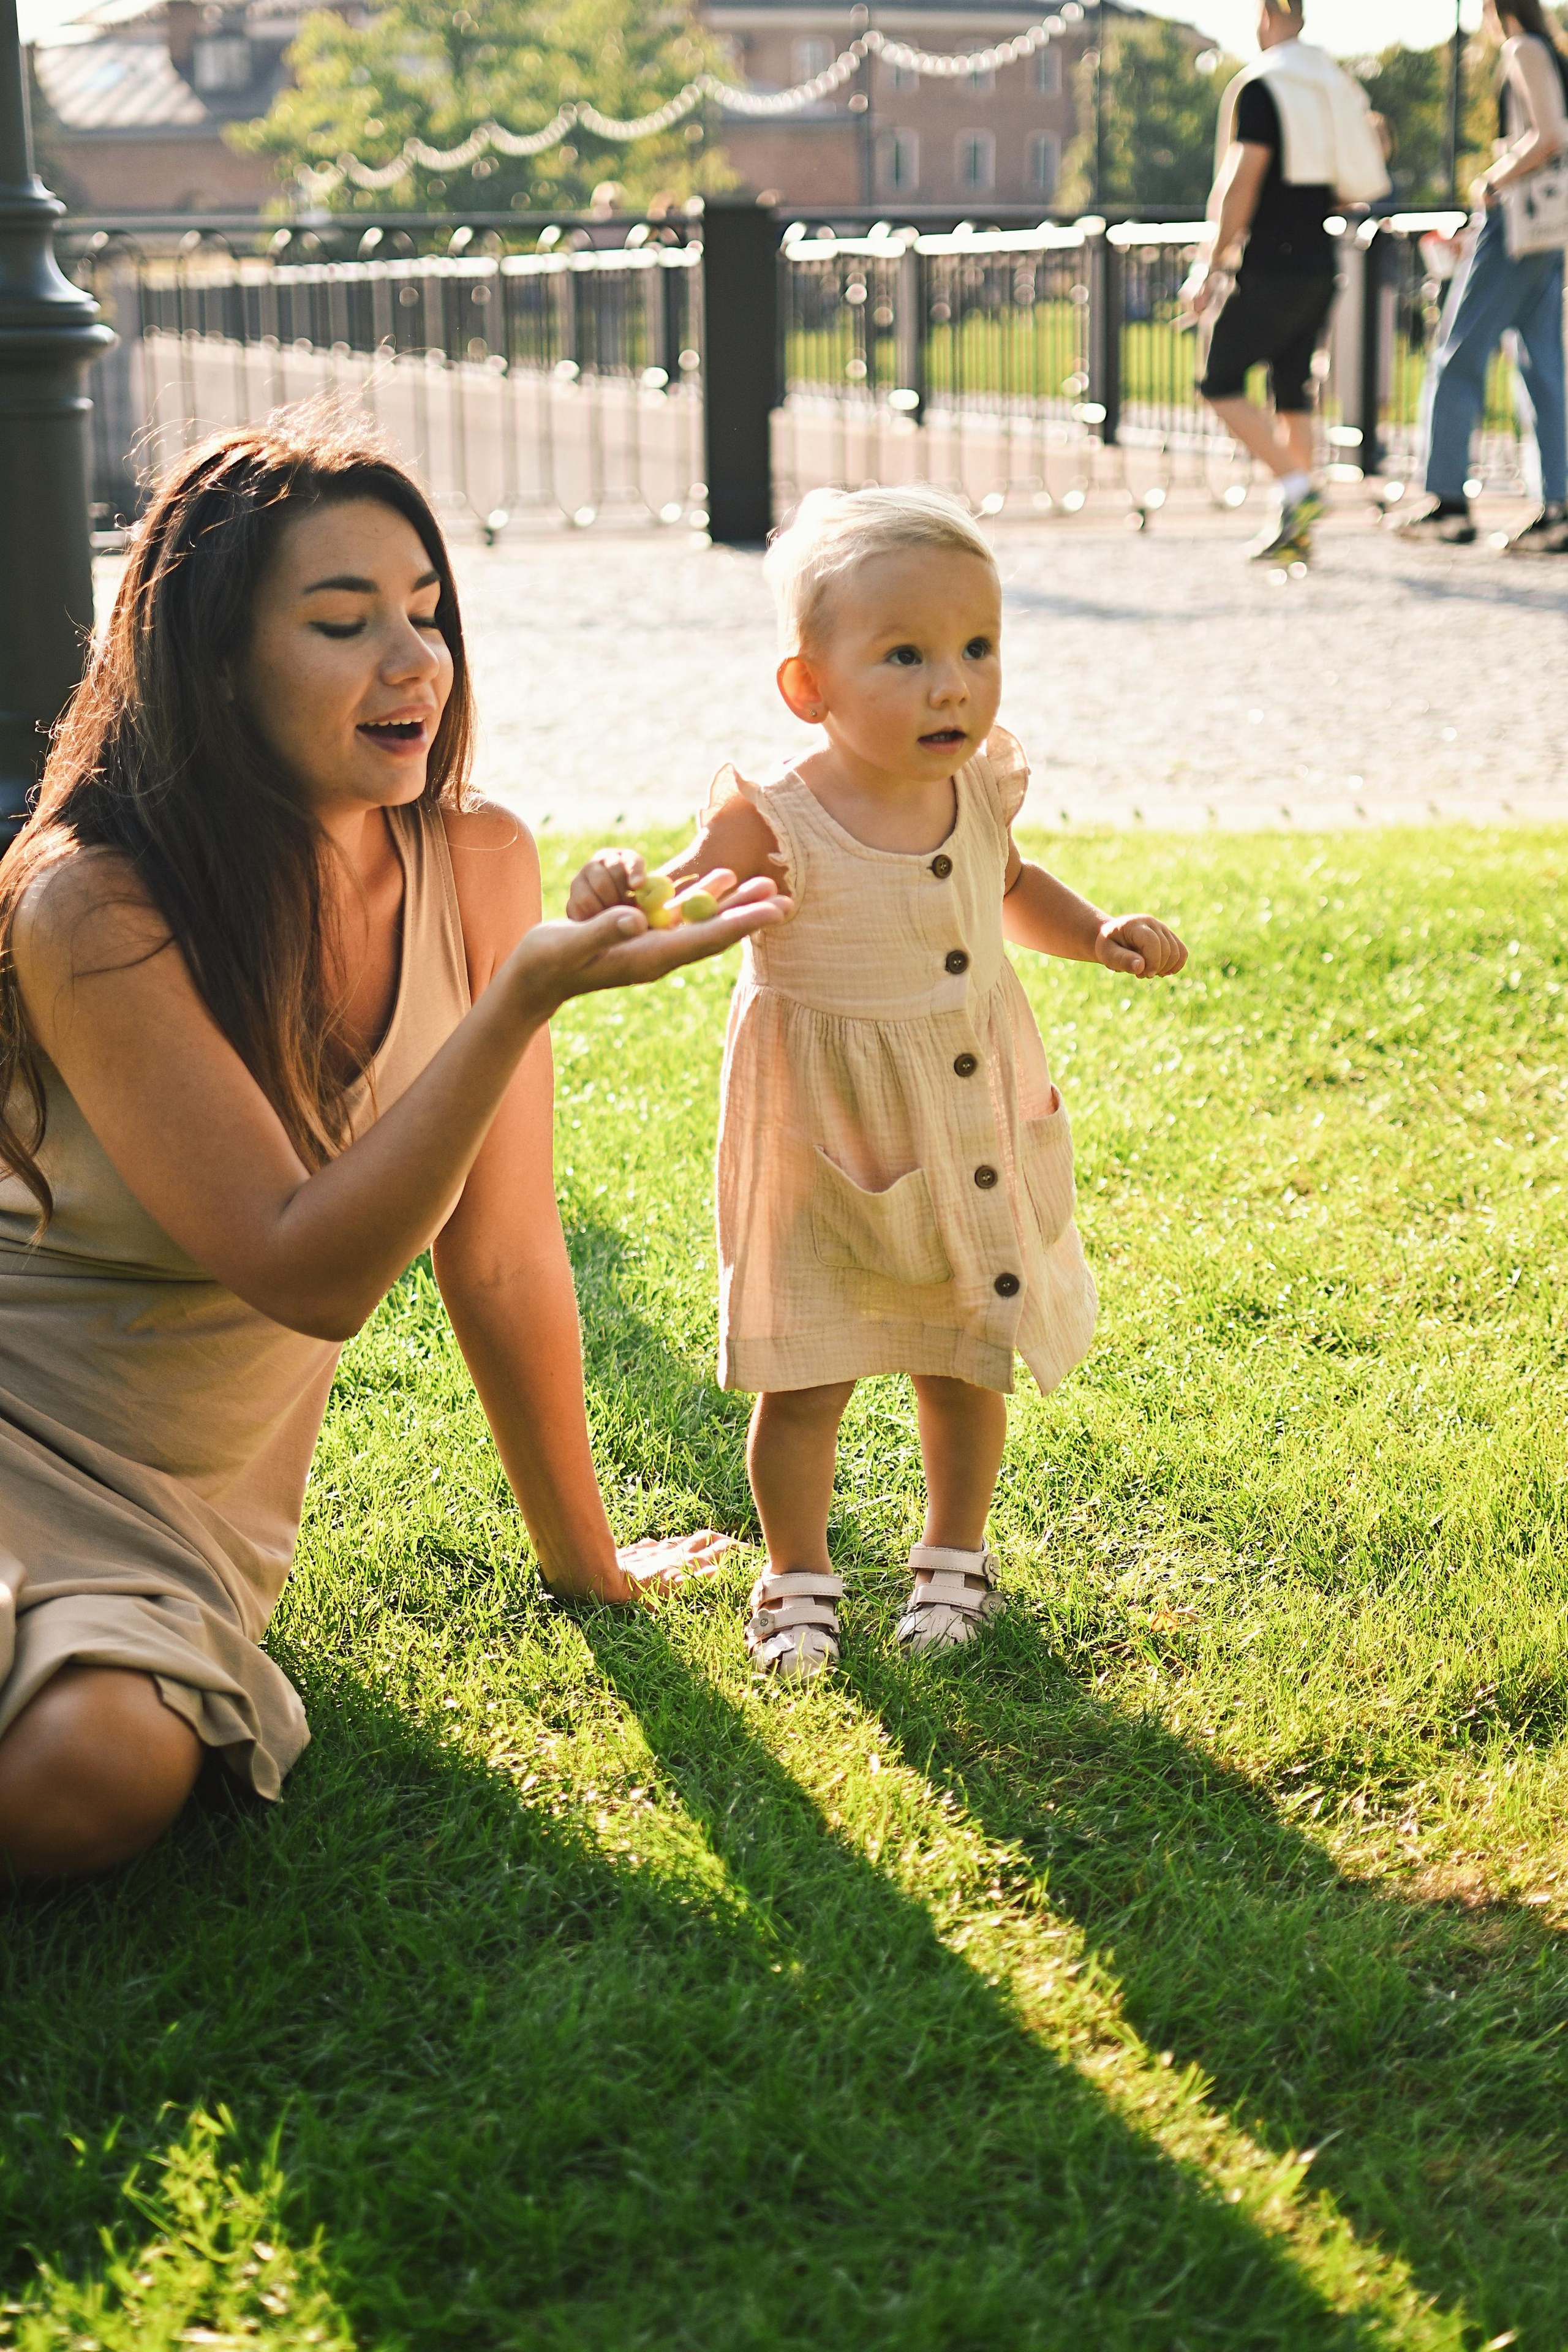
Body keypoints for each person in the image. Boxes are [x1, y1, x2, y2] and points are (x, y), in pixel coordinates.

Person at [0, 410, 783, 1879]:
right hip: (20, 1403)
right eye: (343, 620)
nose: (415, 660)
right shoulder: (92, 902)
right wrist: (518, 1001)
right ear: (214, 659)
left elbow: (503, 1254)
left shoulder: (476, 857)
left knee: (95, 1775)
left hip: (180, 1507)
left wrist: (588, 1565)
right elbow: (306, 1271)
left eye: (426, 612)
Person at [568, 488, 1188, 1682]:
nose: (951, 686)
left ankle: (953, 1556)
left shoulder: (974, 785)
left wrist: (1097, 930)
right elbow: (682, 897)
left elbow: (1010, 884)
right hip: (825, 1142)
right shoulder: (776, 815)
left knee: (962, 1355)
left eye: (976, 647)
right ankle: (795, 1575)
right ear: (809, 686)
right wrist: (621, 890)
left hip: (967, 1128)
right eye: (905, 656)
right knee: (806, 1375)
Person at [1187, 0, 1390, 565]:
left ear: (1268, 15)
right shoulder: (1329, 81)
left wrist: (1211, 262)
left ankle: (1299, 486)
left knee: (1218, 381)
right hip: (1318, 262)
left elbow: (1241, 180)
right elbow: (1362, 169)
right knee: (1292, 391)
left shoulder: (1265, 84)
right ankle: (1295, 532)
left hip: (1271, 264)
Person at [1396, 0, 1568, 552]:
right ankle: (1559, 507)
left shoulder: (1522, 49)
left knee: (1457, 356)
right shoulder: (1552, 51)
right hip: (1549, 230)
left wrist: (1492, 179)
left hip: (1517, 223)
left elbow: (1549, 134)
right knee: (1542, 367)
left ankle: (1447, 502)